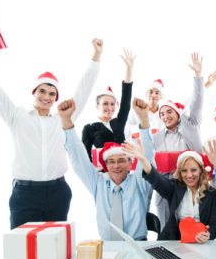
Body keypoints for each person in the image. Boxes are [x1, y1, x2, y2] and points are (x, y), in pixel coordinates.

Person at [0, 14, 102, 229]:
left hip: (58, 192)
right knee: (22, 252)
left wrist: (96, 56)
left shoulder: (62, 120)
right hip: (24, 194)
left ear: (56, 98)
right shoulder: (16, 116)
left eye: (52, 94)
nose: (46, 96)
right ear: (34, 92)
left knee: (54, 251)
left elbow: (84, 90)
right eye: (42, 91)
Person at [58, 98, 154, 240]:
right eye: (111, 162)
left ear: (130, 163)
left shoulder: (139, 182)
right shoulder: (98, 184)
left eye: (121, 160)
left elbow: (148, 156)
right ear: (106, 165)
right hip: (107, 248)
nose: (116, 166)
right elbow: (79, 159)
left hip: (139, 245)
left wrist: (144, 119)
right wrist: (66, 121)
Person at [150, 52, 206, 229]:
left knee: (194, 222)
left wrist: (198, 76)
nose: (166, 116)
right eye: (162, 113)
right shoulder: (157, 137)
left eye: (169, 112)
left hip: (192, 182)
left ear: (177, 113)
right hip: (167, 185)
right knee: (168, 226)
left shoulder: (191, 125)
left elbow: (197, 101)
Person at [123, 145, 216, 242]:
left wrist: (207, 234)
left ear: (201, 170)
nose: (189, 175)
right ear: (180, 173)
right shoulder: (174, 188)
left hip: (201, 244)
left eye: (193, 170)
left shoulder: (212, 193)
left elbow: (215, 224)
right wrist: (143, 159)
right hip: (173, 241)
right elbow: (156, 178)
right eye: (184, 171)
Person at [82, 49, 136, 164]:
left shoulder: (118, 122)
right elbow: (85, 156)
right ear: (97, 106)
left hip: (123, 167)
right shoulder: (90, 128)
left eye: (112, 104)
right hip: (103, 172)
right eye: (105, 104)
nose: (110, 107)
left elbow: (126, 99)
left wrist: (129, 68)